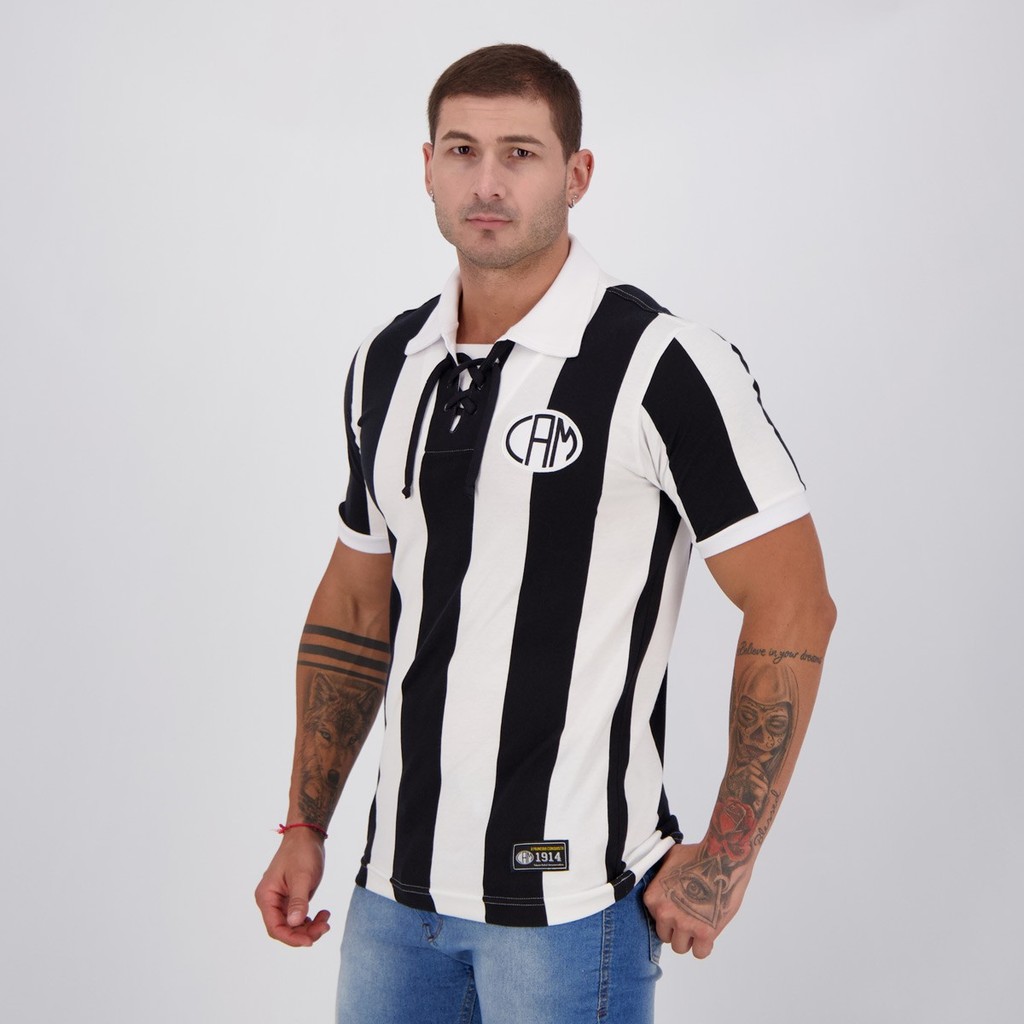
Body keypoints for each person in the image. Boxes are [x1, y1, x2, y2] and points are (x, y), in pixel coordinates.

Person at [255, 43, 836, 1024]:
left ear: (576, 174)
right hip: (392, 902)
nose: (487, 182)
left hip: (569, 909)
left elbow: (793, 600)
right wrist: (305, 821)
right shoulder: (388, 362)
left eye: (519, 153)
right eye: (461, 150)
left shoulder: (660, 364)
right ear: (427, 167)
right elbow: (355, 601)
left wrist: (727, 857)